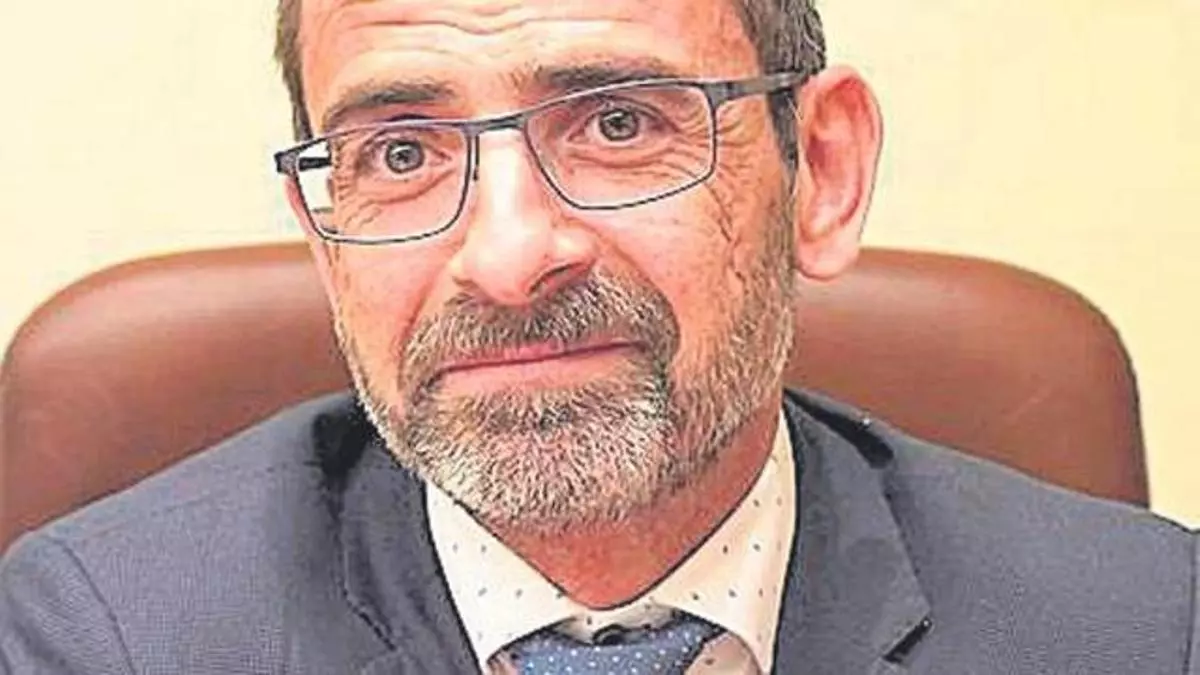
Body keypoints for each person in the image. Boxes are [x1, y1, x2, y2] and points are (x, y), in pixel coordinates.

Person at [1, 0, 1197, 672]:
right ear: (324, 234)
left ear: (821, 173)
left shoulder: (1146, 629)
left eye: (618, 123)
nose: (509, 257)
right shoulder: (101, 639)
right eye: (402, 153)